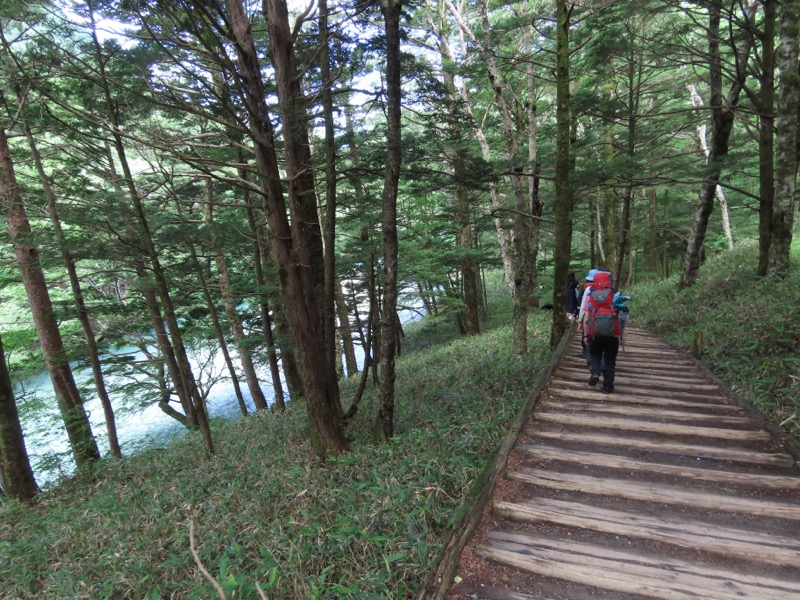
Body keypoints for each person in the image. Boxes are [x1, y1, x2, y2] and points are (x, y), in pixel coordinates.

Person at [581, 271, 620, 394]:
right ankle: (608, 386)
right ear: (609, 281)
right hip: (612, 334)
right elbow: (621, 318)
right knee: (610, 359)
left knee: (595, 355)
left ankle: (596, 372)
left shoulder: (590, 297)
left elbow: (586, 318)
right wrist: (622, 335)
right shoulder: (615, 296)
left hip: (594, 333)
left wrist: (586, 335)